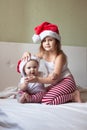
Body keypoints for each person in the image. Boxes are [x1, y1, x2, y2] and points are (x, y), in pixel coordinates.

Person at [17, 21, 82, 105]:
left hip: (66, 81)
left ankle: (73, 95)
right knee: (42, 94)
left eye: (50, 40)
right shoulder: (44, 53)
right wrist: (26, 53)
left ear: (56, 42)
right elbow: (32, 59)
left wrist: (37, 79)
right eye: (44, 41)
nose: (47, 43)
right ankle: (28, 98)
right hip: (56, 83)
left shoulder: (59, 56)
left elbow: (54, 77)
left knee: (46, 100)